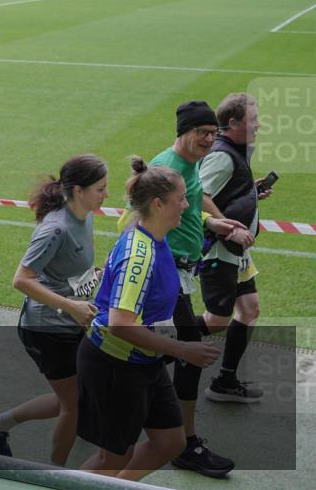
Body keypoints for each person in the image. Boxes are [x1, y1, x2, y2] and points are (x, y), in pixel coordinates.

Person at [78, 158, 220, 482]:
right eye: (181, 198)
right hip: (115, 365)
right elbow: (120, 322)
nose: (187, 205)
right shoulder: (140, 255)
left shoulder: (155, 236)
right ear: (158, 204)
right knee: (112, 457)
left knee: (170, 441)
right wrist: (183, 350)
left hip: (144, 361)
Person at [0, 155, 108, 466]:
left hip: (69, 321)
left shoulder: (85, 215)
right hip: (46, 329)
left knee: (74, 397)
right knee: (72, 404)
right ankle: (54, 474)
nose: (106, 195)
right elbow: (21, 279)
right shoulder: (55, 229)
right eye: (101, 188)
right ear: (78, 190)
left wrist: (96, 276)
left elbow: (67, 272)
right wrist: (71, 305)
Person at [145, 100, 253, 478]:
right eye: (202, 133)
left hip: (180, 273)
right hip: (166, 274)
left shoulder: (189, 166)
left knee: (161, 352)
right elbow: (135, 220)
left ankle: (109, 396)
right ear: (183, 133)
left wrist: (215, 223)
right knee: (189, 351)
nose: (209, 139)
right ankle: (185, 444)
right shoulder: (166, 168)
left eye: (212, 132)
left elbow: (187, 209)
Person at [200, 93, 269, 403]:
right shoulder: (222, 156)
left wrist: (250, 192)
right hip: (220, 248)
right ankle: (146, 347)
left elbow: (224, 191)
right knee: (216, 321)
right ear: (233, 123)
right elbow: (197, 196)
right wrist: (227, 226)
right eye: (253, 120)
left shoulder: (236, 152)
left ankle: (225, 382)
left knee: (249, 309)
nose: (259, 125)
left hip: (236, 250)